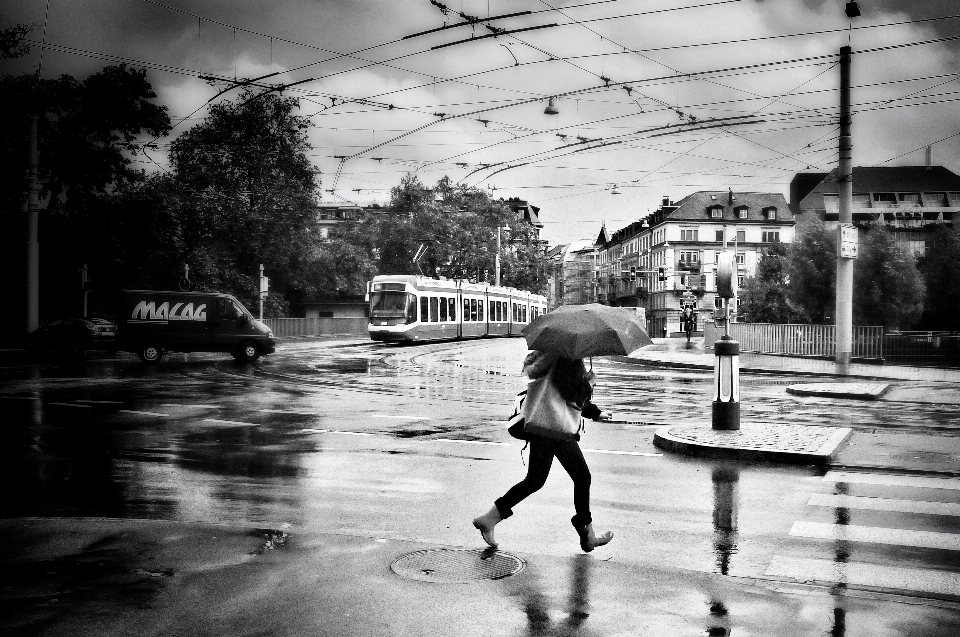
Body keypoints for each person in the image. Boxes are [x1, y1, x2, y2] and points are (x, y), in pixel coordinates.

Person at [472, 350, 615, 553]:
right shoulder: (566, 359)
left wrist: (595, 410)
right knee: (582, 477)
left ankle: (490, 518)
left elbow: (557, 393)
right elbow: (573, 396)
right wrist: (589, 383)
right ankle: (588, 534)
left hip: (542, 426)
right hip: (556, 428)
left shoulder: (547, 358)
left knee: (535, 480)